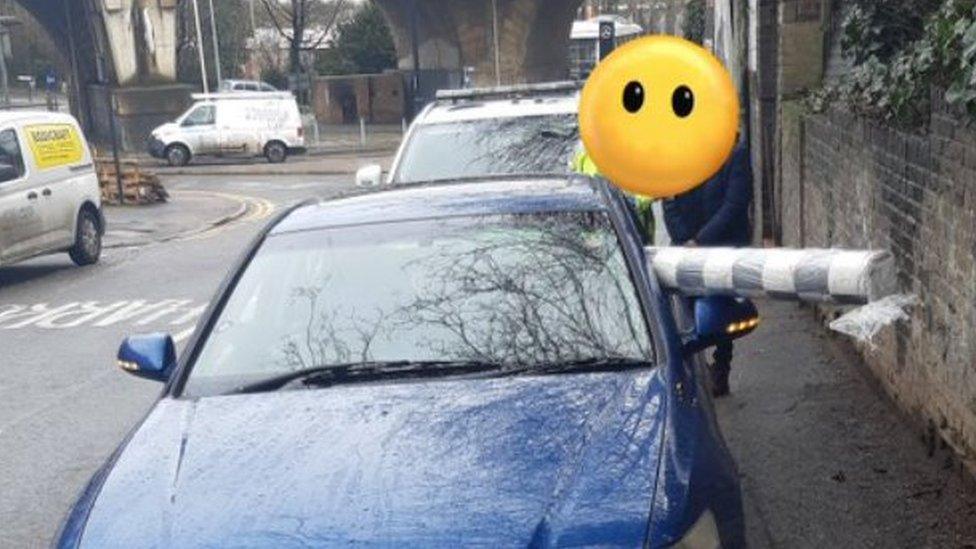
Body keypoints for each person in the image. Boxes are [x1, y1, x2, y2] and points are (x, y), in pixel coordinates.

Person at [662, 142, 753, 397]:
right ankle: (695, 368)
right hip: (686, 247)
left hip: (722, 246)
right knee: (689, 312)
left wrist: (700, 240)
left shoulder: (735, 153)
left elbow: (734, 205)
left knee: (720, 311)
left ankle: (721, 365)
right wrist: (685, 239)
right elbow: (669, 201)